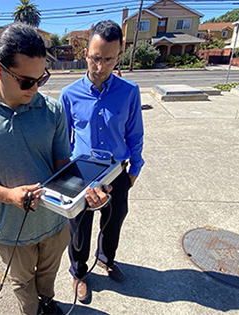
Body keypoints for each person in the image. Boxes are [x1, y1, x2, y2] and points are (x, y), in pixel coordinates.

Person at [0, 22, 109, 315]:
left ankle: (47, 303)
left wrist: (89, 189)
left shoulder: (52, 110)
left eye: (41, 79)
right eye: (26, 81)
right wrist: (9, 195)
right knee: (22, 283)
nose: (34, 89)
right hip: (11, 229)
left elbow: (64, 166)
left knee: (47, 277)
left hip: (56, 224)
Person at [59, 20, 144, 302]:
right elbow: (62, 139)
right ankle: (79, 272)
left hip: (117, 171)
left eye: (108, 59)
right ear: (86, 54)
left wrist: (134, 171)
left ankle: (107, 258)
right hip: (81, 172)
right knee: (79, 229)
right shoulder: (69, 94)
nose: (100, 66)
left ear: (119, 56)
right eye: (95, 58)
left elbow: (135, 134)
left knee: (114, 221)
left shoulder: (129, 91)